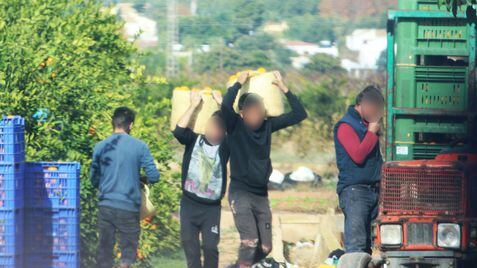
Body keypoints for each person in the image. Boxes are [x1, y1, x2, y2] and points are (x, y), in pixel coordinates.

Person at [222, 71, 307, 268]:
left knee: (266, 247)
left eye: (259, 112)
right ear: (242, 113)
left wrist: (284, 89)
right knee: (249, 241)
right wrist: (237, 84)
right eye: (251, 112)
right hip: (240, 193)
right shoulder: (234, 126)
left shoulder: (268, 126)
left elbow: (299, 114)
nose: (256, 116)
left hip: (261, 195)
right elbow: (226, 106)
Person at [91, 107, 160, 268]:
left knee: (105, 250)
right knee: (127, 253)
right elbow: (154, 176)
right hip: (128, 207)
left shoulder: (100, 146)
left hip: (106, 206)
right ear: (130, 125)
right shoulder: (140, 146)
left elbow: (94, 180)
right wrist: (140, 179)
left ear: (112, 123)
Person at [172, 90, 230, 268]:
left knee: (211, 248)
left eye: (219, 129)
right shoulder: (194, 140)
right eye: (212, 127)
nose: (214, 132)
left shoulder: (226, 146)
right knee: (191, 248)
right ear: (205, 127)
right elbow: (178, 130)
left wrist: (222, 104)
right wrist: (193, 105)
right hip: (190, 205)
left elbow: (240, 130)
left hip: (211, 209)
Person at [333, 85, 385, 254]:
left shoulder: (366, 124)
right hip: (355, 192)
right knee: (356, 246)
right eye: (375, 109)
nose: (377, 114)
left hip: (372, 191)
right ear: (363, 105)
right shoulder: (345, 126)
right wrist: (371, 133)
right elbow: (357, 155)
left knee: (368, 246)